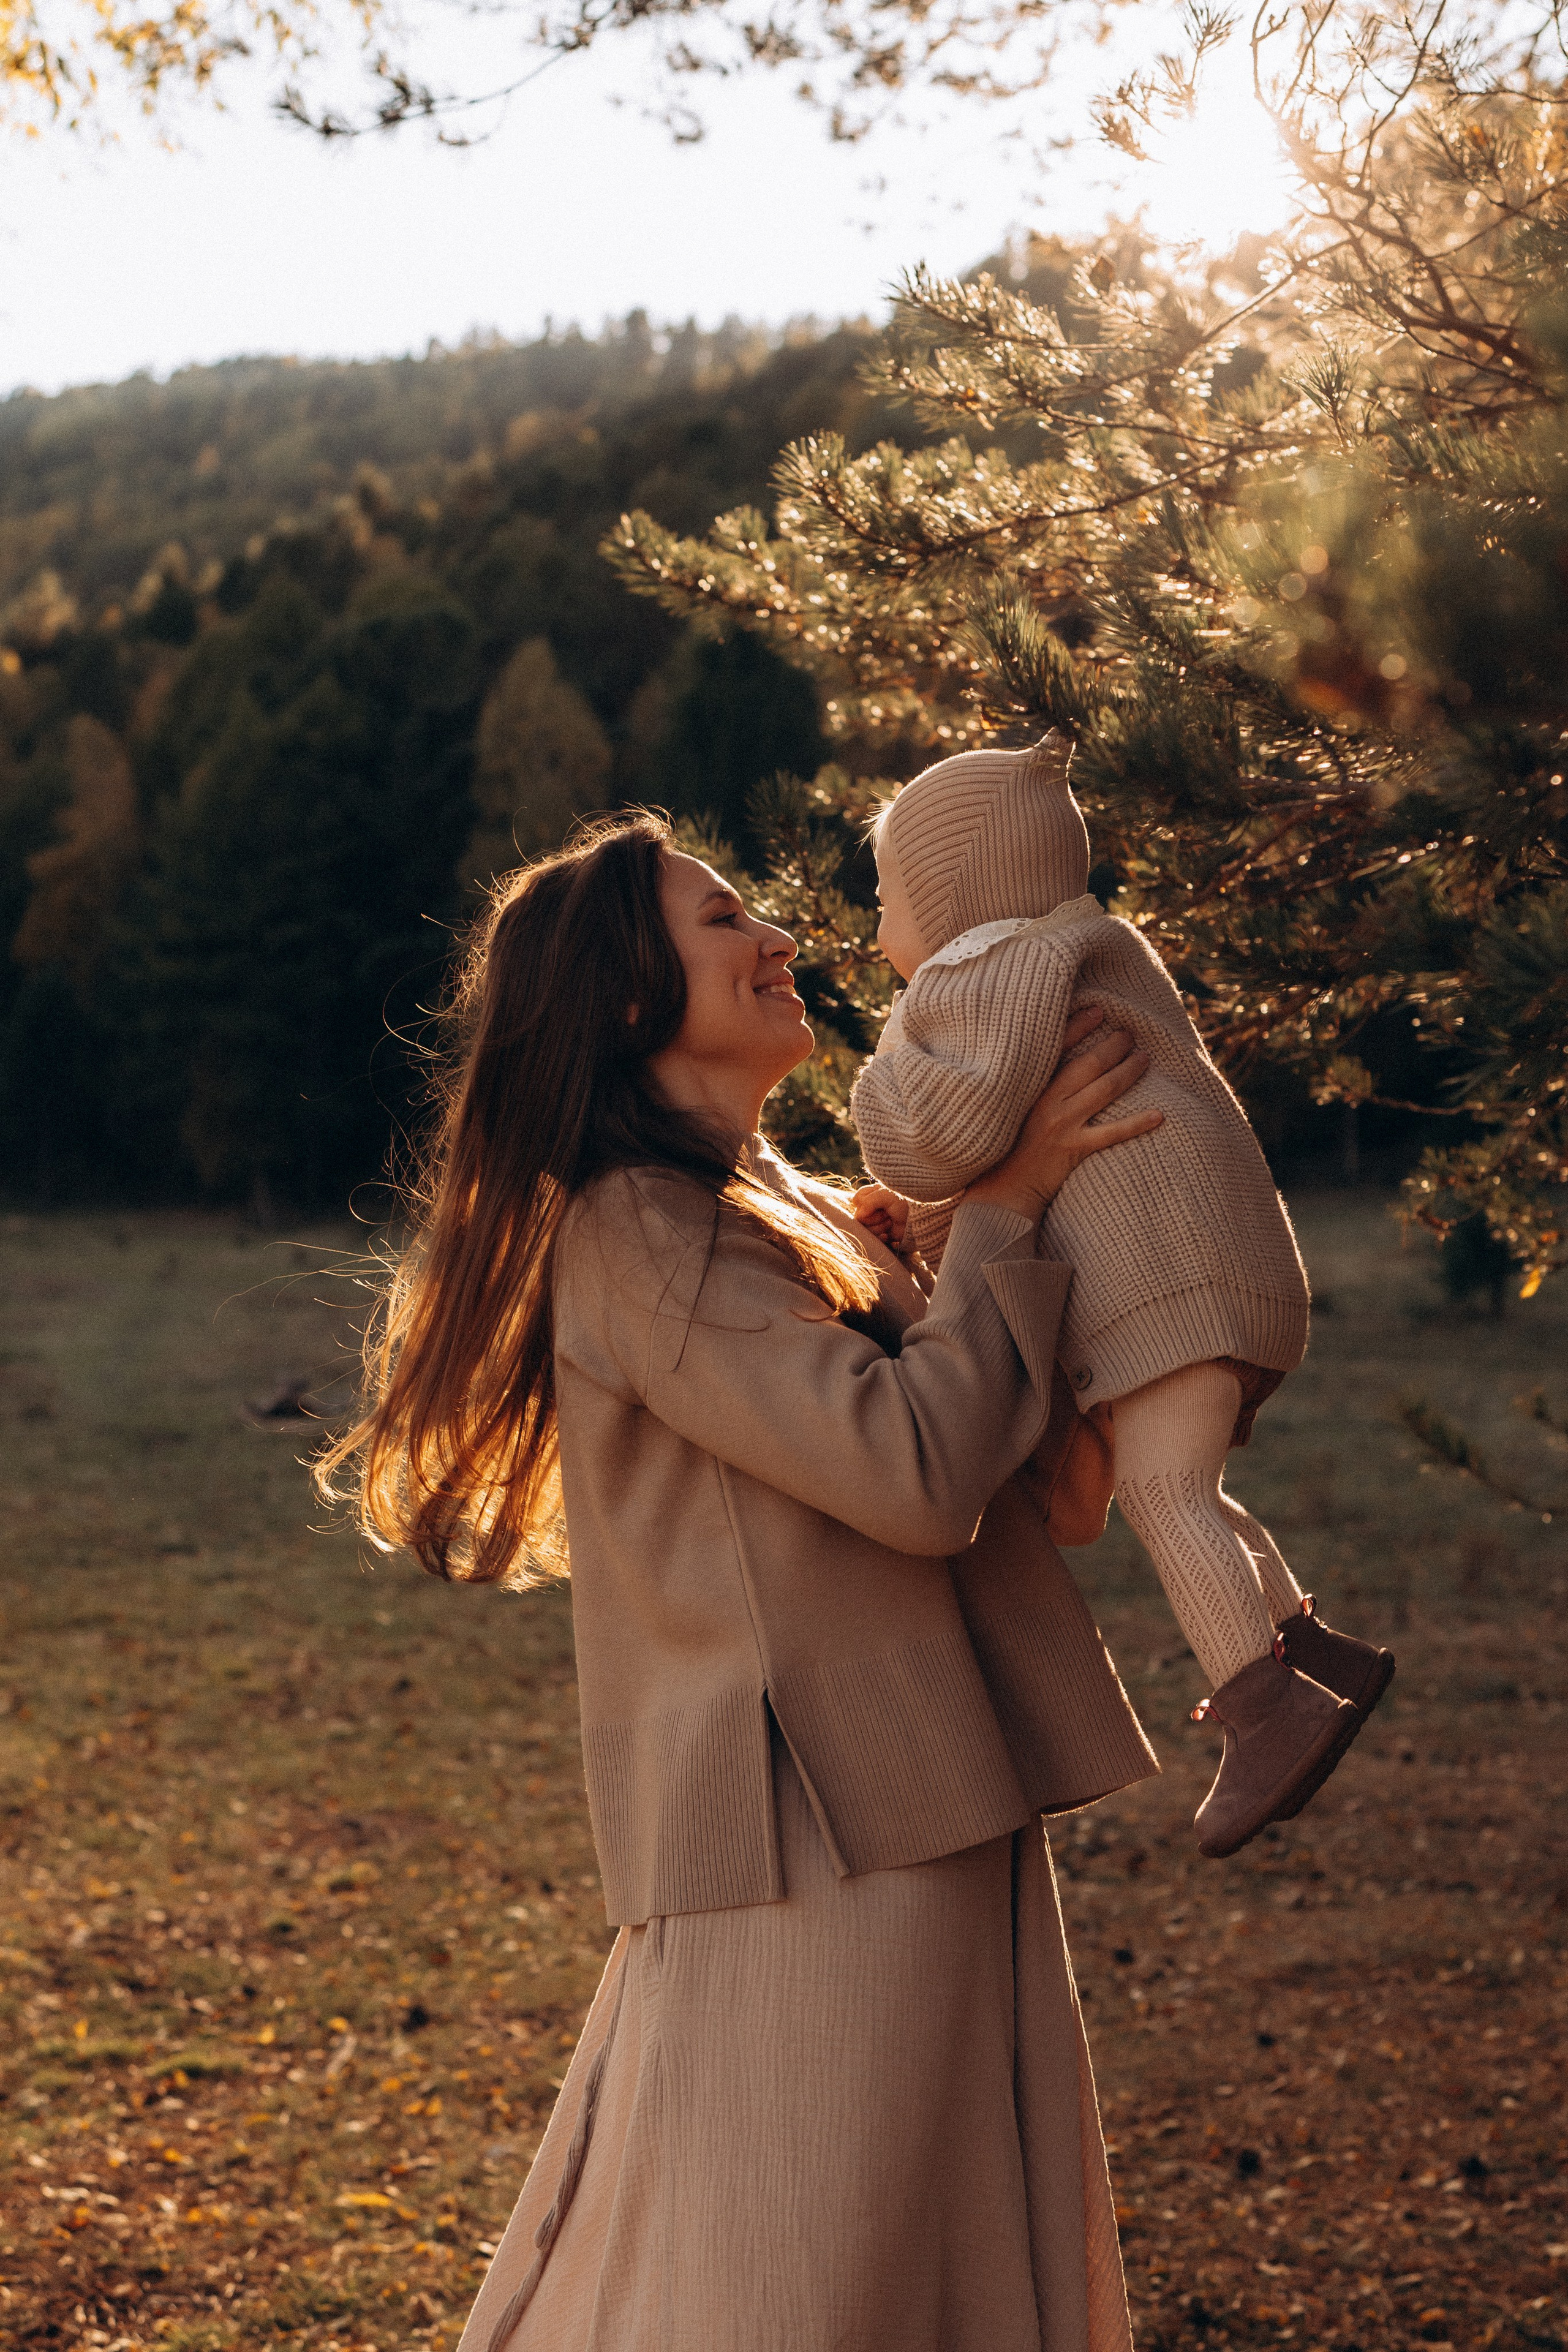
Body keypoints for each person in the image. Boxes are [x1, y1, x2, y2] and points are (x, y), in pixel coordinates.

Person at [320, 809, 1174, 2352]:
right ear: (631, 993)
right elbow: (915, 1479)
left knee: (908, 2252)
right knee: (801, 2269)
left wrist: (964, 1256)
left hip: (901, 1789)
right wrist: (1001, 1211)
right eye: (724, 920)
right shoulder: (642, 1229)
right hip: (813, 1827)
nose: (776, 935)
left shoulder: (769, 1204)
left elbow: (1026, 1493)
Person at [849, 734, 1395, 1860]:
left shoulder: (984, 970)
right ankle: (1309, 1648)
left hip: (1162, 1282)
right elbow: (1023, 1157)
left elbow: (939, 1135)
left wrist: (883, 1079)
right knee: (1194, 1484)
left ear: (953, 900)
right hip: (1229, 1267)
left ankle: (1267, 1712)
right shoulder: (1091, 950)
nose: (879, 930)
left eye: (888, 899)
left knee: (1162, 1492)